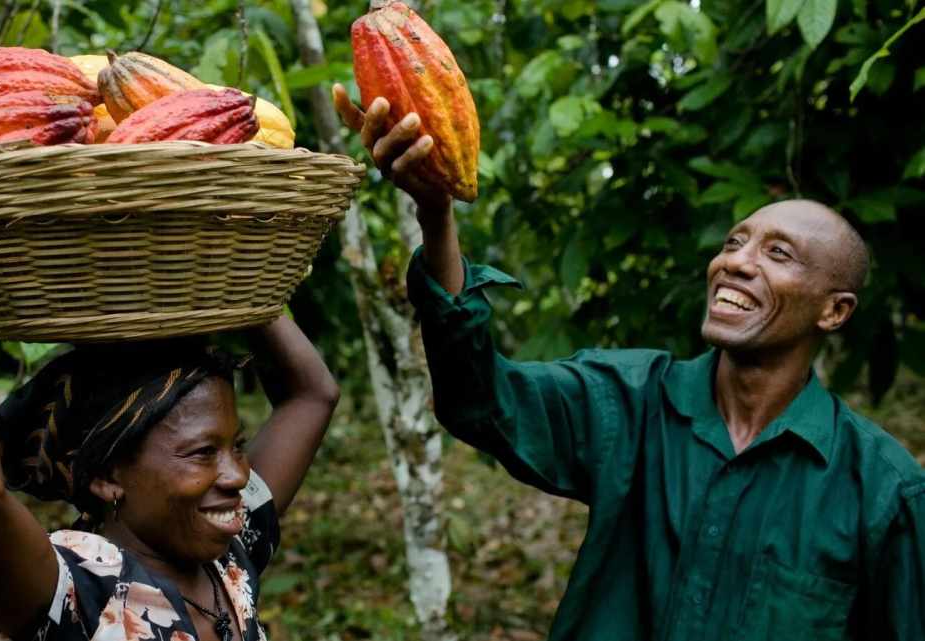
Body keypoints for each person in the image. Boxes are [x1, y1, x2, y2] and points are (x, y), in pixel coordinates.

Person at [334, 86, 925, 640]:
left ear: (835, 311)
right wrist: (436, 214)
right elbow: (481, 400)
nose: (736, 263)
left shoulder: (881, 490)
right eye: (733, 243)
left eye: (777, 254)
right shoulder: (630, 400)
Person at [0, 140, 341, 641]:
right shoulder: (77, 587)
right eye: (201, 452)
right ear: (107, 475)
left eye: (235, 445)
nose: (237, 475)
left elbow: (312, 395)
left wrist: (230, 252)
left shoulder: (228, 557)